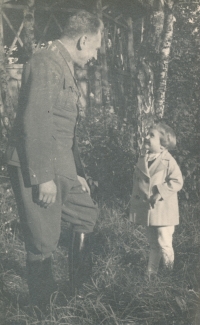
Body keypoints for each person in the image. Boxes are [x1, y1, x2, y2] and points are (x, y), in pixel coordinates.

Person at [6, 9, 103, 308]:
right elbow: (36, 121)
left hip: (61, 163)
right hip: (38, 165)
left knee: (86, 214)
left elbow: (63, 126)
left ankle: (80, 295)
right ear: (83, 39)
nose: (96, 55)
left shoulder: (61, 63)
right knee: (42, 240)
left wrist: (77, 172)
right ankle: (42, 311)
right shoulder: (47, 62)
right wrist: (43, 176)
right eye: (96, 47)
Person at [129, 121, 183, 278]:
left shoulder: (168, 161)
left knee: (164, 243)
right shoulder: (143, 158)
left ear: (162, 145)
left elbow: (177, 181)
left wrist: (160, 191)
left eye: (151, 135)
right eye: (147, 134)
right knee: (153, 244)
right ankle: (151, 275)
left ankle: (168, 275)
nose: (146, 137)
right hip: (149, 210)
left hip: (164, 210)